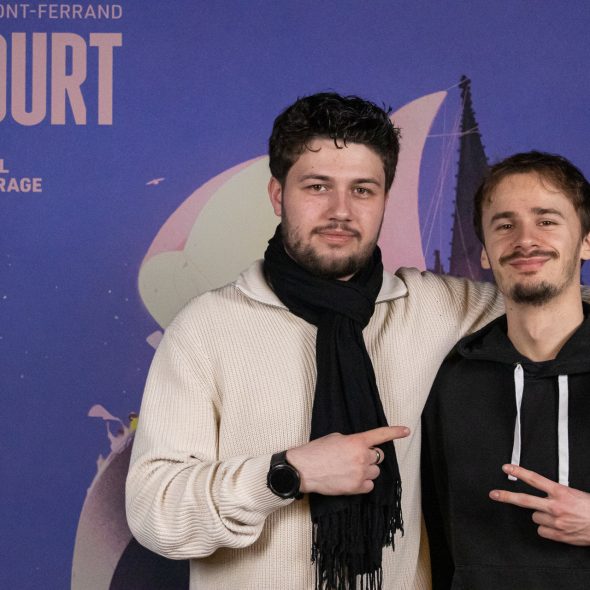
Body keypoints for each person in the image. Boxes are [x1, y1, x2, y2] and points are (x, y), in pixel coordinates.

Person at [125, 92, 503, 590]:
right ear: (277, 195)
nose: (340, 211)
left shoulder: (433, 308)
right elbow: (154, 512)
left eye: (363, 190)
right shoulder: (207, 327)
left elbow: (560, 305)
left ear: (385, 200)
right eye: (318, 186)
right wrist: (286, 474)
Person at [421, 151, 590, 590]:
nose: (525, 240)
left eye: (547, 220)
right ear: (484, 253)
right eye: (504, 225)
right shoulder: (450, 378)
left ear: (586, 242)